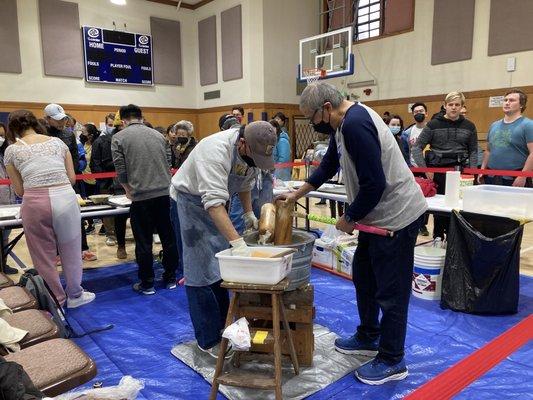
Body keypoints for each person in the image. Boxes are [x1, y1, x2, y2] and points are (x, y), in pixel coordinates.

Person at [277, 82, 427, 385]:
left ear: (327, 109)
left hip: (395, 218)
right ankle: (369, 334)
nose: (314, 124)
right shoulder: (342, 125)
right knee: (364, 275)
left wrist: (349, 217)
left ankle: (392, 359)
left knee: (391, 291)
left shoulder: (357, 125)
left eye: (313, 117)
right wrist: (298, 193)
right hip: (376, 216)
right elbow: (328, 164)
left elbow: (374, 183)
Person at [169, 121, 276, 357]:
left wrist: (249, 214)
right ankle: (207, 339)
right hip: (190, 202)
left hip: (216, 205)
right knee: (200, 270)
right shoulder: (214, 151)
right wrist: (238, 243)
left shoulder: (249, 152)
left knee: (218, 266)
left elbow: (244, 183)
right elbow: (213, 202)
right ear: (242, 143)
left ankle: (223, 328)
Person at [4, 110, 95, 308]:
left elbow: (19, 189)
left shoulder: (11, 150)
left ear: (13, 128)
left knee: (42, 254)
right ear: (36, 123)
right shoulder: (58, 143)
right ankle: (75, 295)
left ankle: (56, 300)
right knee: (71, 249)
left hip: (35, 202)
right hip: (64, 198)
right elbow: (71, 178)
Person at [111, 104, 179, 294]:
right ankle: (170, 277)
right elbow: (168, 163)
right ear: (141, 117)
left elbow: (121, 168)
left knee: (143, 241)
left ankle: (147, 283)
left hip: (140, 196)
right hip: (165, 194)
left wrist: (127, 189)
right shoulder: (159, 136)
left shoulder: (119, 137)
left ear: (123, 121)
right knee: (168, 237)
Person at [412, 92, 478, 239]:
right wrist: (425, 169)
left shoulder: (469, 126)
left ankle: (453, 239)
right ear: (445, 106)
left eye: (457, 105)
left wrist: (473, 173)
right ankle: (438, 237)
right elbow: (417, 147)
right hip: (437, 172)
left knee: (458, 207)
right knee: (440, 207)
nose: (454, 108)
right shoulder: (433, 124)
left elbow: (474, 150)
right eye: (451, 104)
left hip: (461, 172)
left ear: (462, 107)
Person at [480, 89, 533, 187]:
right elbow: (488, 151)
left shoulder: (528, 125)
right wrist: (482, 170)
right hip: (491, 177)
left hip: (515, 178)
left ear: (521, 105)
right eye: (505, 100)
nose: (507, 103)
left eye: (512, 100)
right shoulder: (494, 125)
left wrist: (523, 176)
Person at [402, 103, 430, 236]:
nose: (419, 113)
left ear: (426, 113)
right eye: (416, 111)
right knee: (415, 198)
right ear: (413, 114)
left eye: (421, 111)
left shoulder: (431, 129)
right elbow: (405, 152)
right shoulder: (407, 133)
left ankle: (424, 224)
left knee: (429, 198)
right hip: (414, 169)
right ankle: (417, 224)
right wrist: (409, 167)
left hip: (429, 169)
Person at [0, 123, 17, 275]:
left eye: (2, 135)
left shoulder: (7, 153)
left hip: (9, 201)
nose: (1, 138)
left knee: (5, 237)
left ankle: (3, 265)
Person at [80, 124, 100, 234]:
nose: (82, 134)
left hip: (96, 177)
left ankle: (103, 225)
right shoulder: (82, 144)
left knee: (98, 201)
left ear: (91, 134)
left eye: (84, 132)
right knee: (87, 202)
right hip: (85, 177)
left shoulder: (97, 144)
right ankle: (91, 224)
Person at [272, 112, 292, 181]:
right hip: (274, 172)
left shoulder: (282, 140)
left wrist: (276, 174)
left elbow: (283, 159)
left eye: (278, 119)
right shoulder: (274, 139)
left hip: (281, 174)